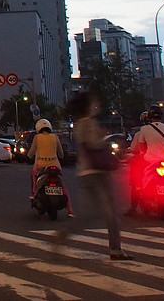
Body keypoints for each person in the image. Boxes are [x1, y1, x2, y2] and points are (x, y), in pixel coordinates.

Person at [55, 91, 130, 260]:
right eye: (94, 102)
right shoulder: (88, 123)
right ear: (88, 106)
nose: (96, 105)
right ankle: (116, 249)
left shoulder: (80, 124)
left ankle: (63, 235)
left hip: (85, 172)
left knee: (88, 215)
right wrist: (102, 136)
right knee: (111, 211)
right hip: (98, 172)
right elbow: (92, 145)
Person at [126, 105, 164, 215]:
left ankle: (134, 205)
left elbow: (141, 148)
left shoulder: (143, 130)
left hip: (150, 161)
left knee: (137, 180)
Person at [28, 119, 73, 216]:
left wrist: (29, 156)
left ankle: (34, 193)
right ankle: (70, 209)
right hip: (55, 165)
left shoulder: (37, 137)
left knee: (33, 176)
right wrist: (61, 156)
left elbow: (32, 151)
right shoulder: (55, 137)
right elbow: (60, 153)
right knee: (62, 186)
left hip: (41, 165)